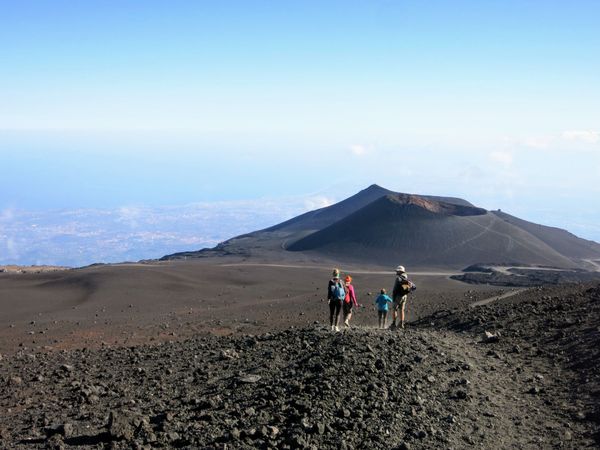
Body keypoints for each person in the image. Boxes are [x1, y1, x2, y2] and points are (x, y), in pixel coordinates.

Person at [391, 265, 416, 329]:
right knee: (402, 310)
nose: (396, 272)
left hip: (398, 296)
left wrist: (393, 298)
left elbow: (395, 289)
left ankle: (393, 324)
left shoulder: (398, 279)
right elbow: (413, 287)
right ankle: (401, 324)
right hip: (404, 296)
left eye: (397, 271)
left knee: (394, 309)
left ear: (400, 271)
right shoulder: (406, 278)